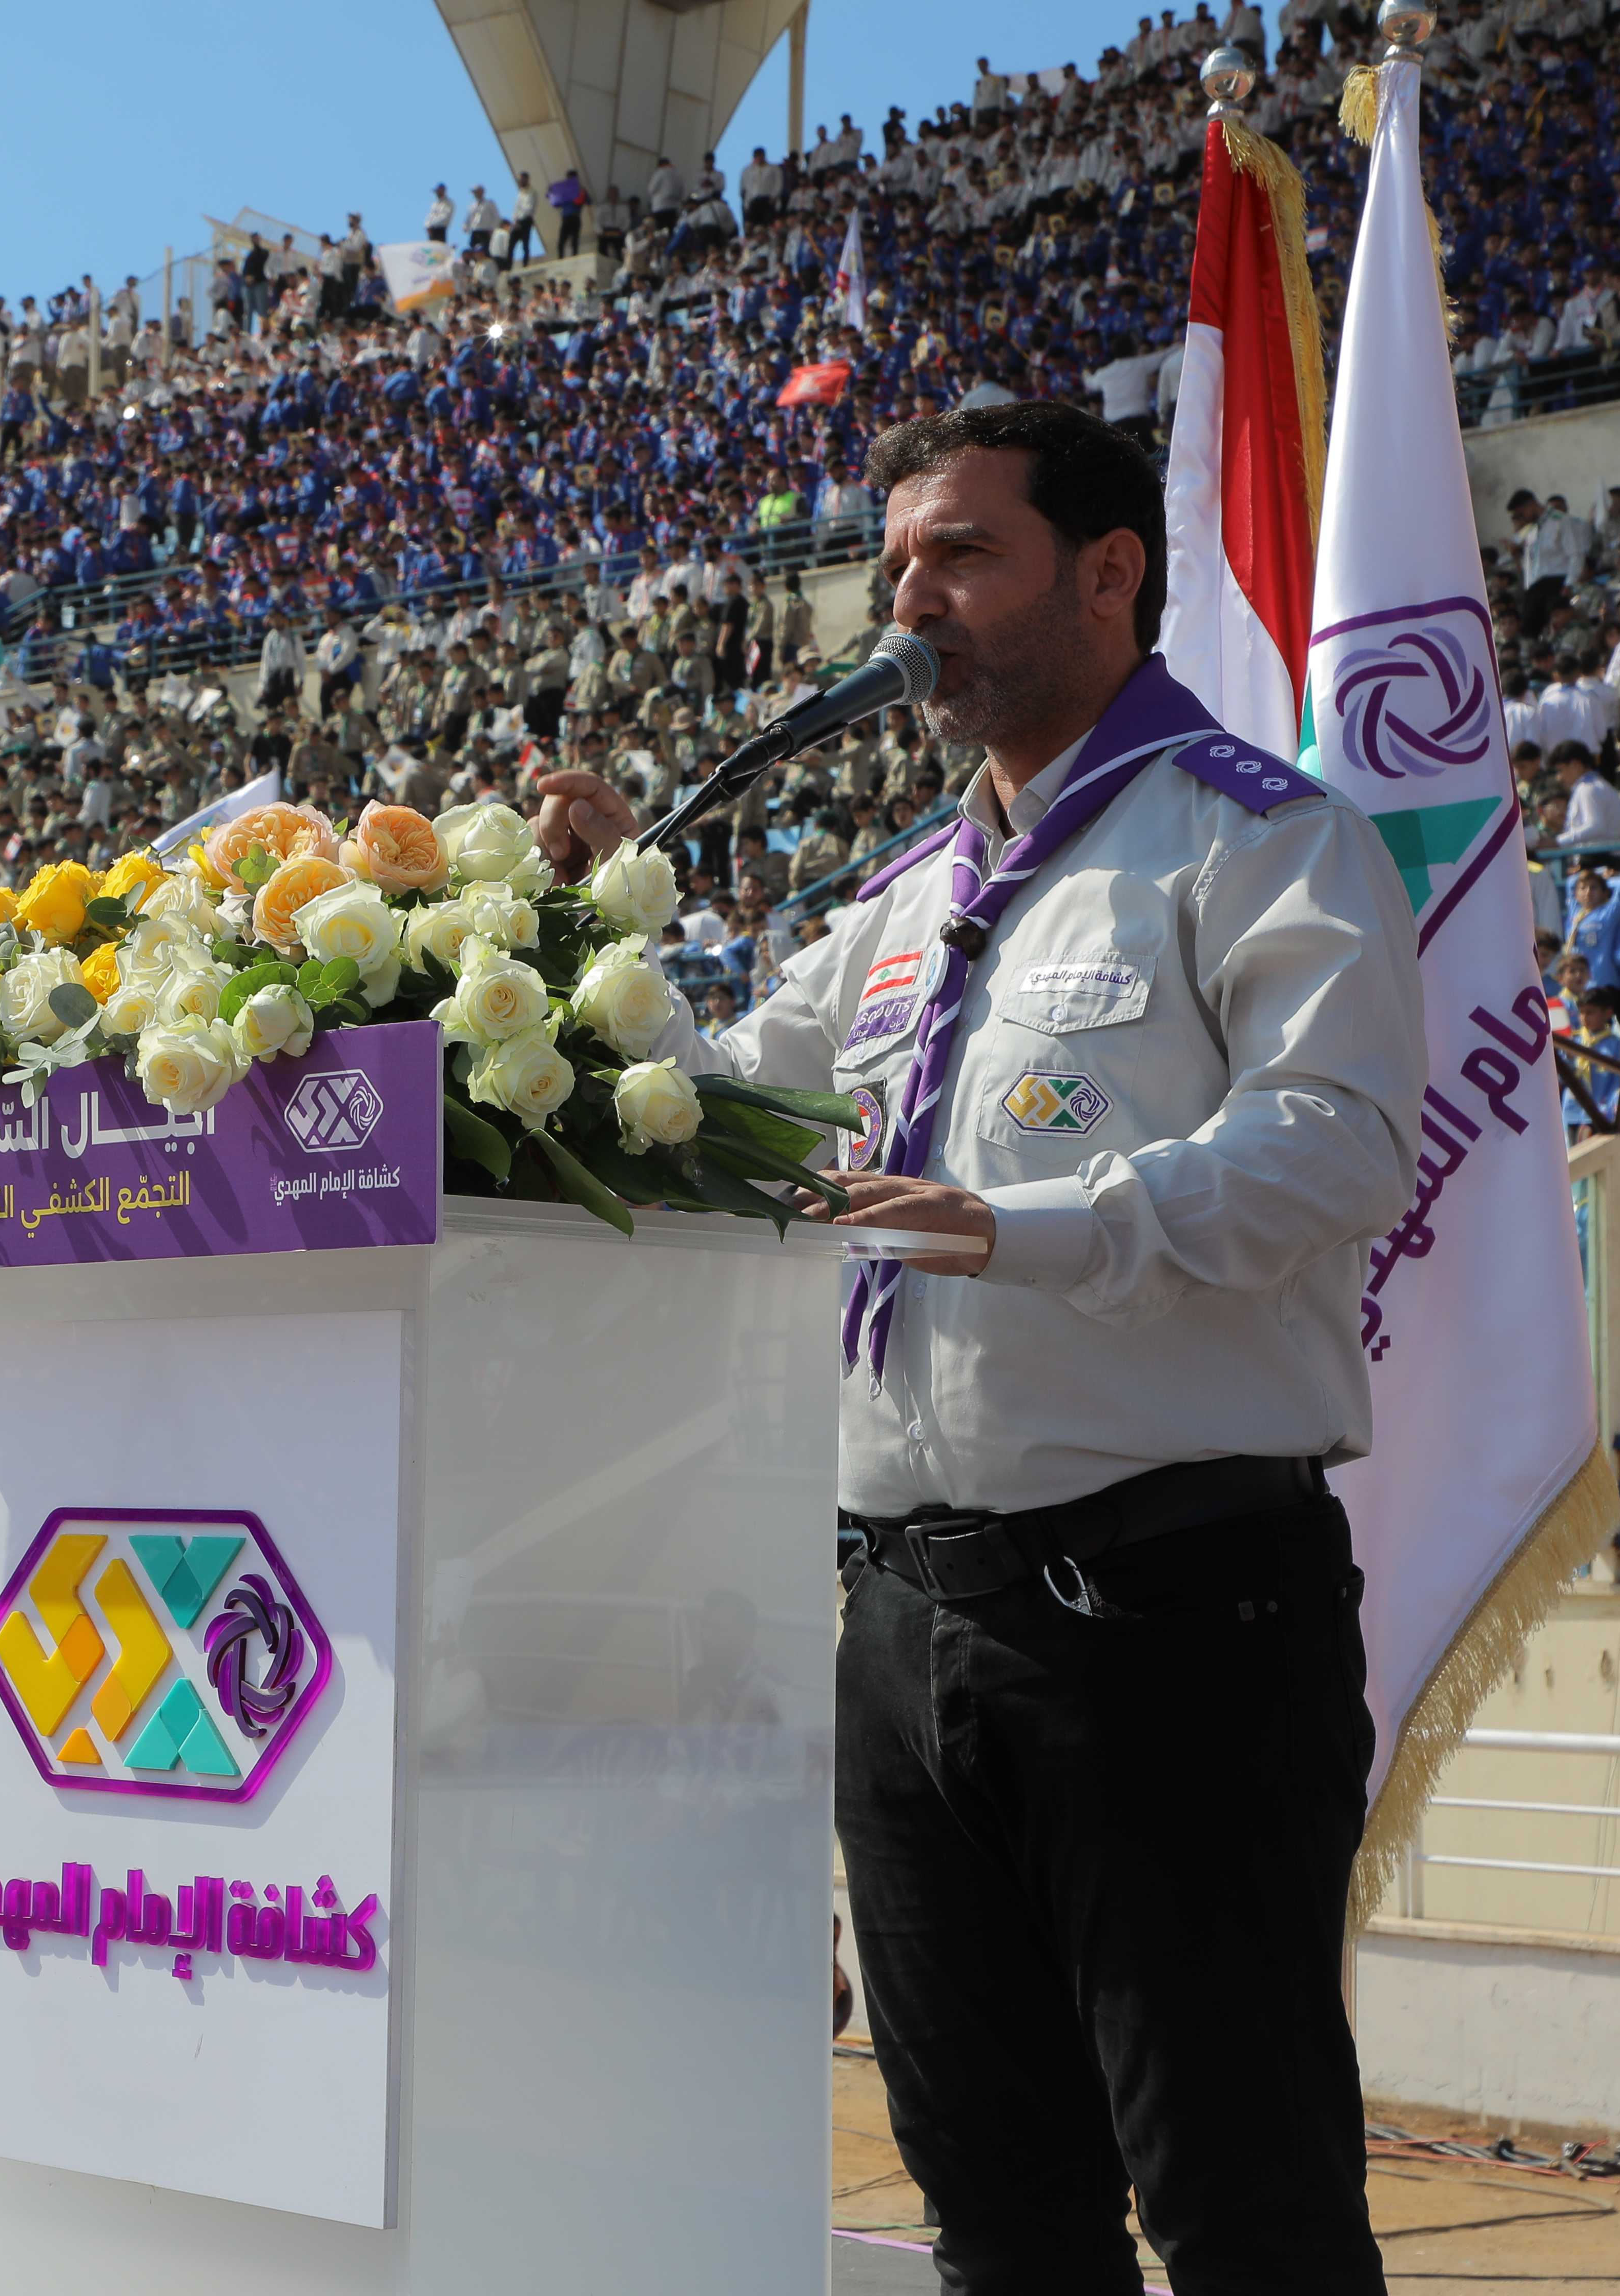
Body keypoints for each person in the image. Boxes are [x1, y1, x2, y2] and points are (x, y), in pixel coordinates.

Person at [530, 401, 1419, 2291]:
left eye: (957, 554)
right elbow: (720, 1128)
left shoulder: (1259, 835)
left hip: (1168, 1616)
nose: (908, 601)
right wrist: (598, 941)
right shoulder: (895, 904)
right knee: (997, 2223)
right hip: (904, 1624)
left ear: (1106, 573)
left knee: (1241, 2212)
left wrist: (1028, 1228)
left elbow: (1335, 1144)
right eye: (892, 566)